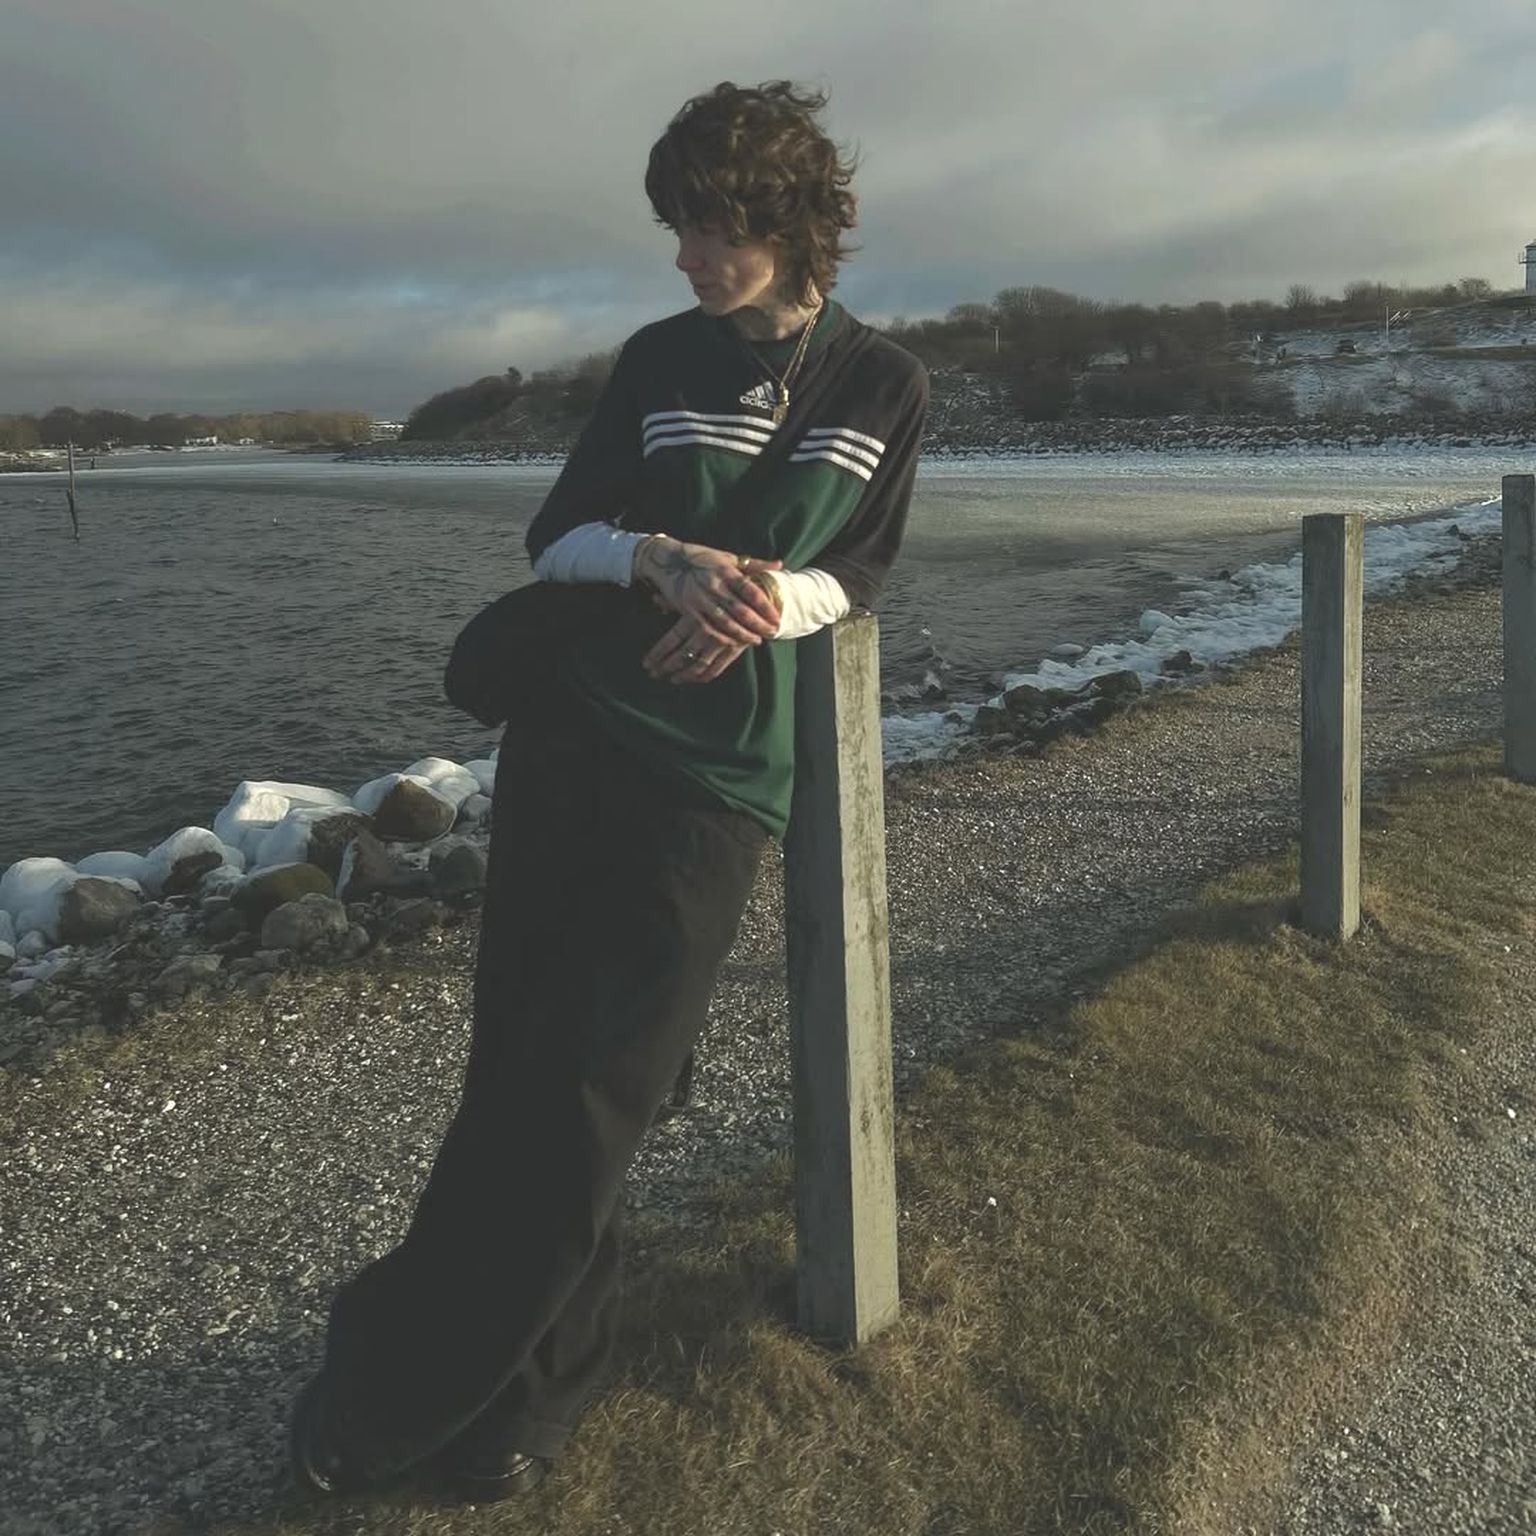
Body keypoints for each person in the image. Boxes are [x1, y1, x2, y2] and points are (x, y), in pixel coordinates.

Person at [291, 78, 928, 1505]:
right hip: (578, 735)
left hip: (719, 776)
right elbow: (558, 534)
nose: (688, 259)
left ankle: (399, 1387)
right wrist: (659, 561)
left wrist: (767, 602)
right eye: (677, 231)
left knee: (600, 1090)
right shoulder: (656, 359)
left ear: (791, 220)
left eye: (713, 230)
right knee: (524, 1065)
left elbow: (861, 570)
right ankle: (532, 1394)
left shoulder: (885, 381)